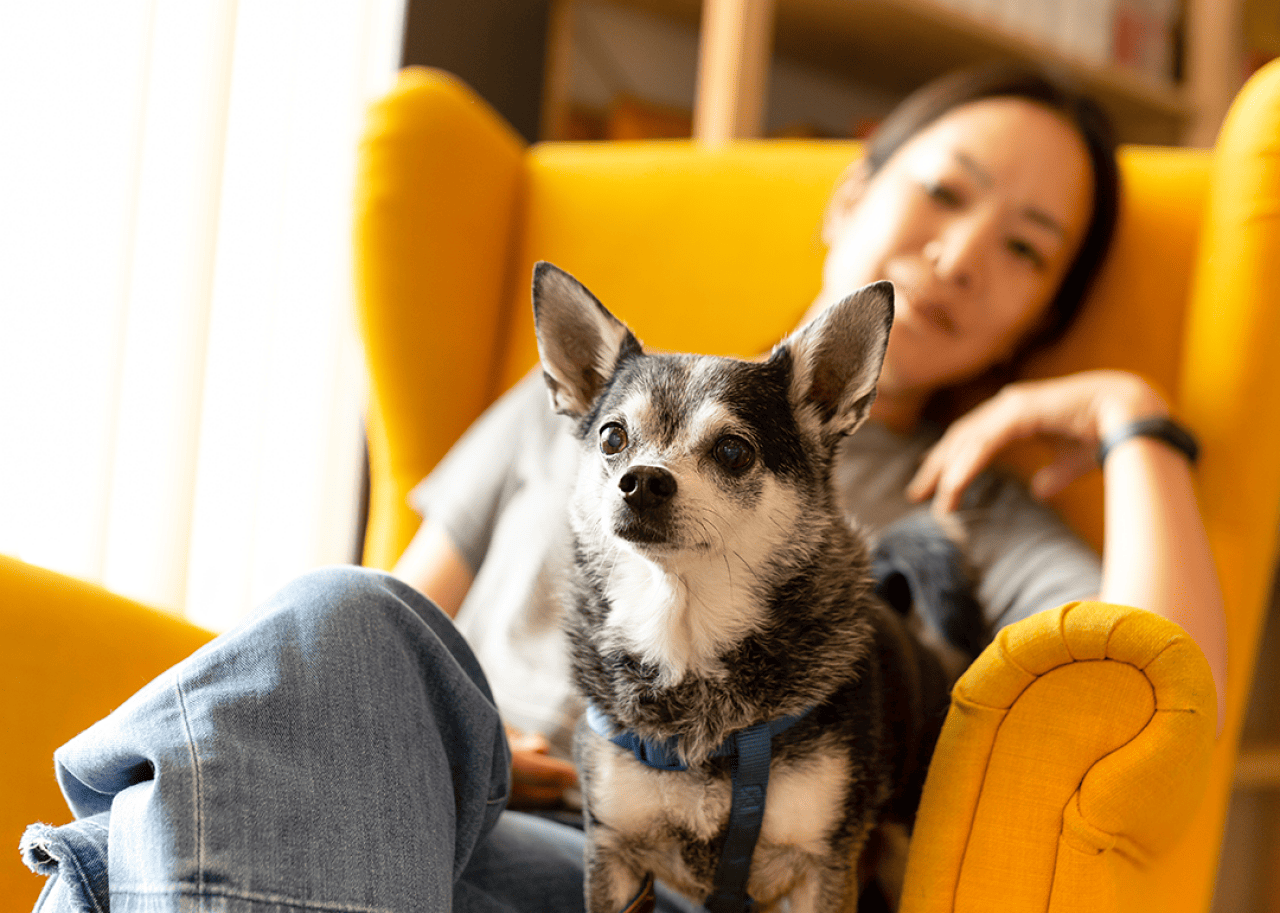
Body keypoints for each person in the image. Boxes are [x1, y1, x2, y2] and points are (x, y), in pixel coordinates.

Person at [21, 62, 1227, 913]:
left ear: (1042, 315)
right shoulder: (573, 408)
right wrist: (470, 739)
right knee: (338, 615)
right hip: (421, 809)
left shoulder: (960, 503)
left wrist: (1128, 420)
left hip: (637, 873)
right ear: (851, 193)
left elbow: (1164, 694)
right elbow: (388, 644)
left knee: (130, 843)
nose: (960, 255)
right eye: (945, 191)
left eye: (1025, 248)